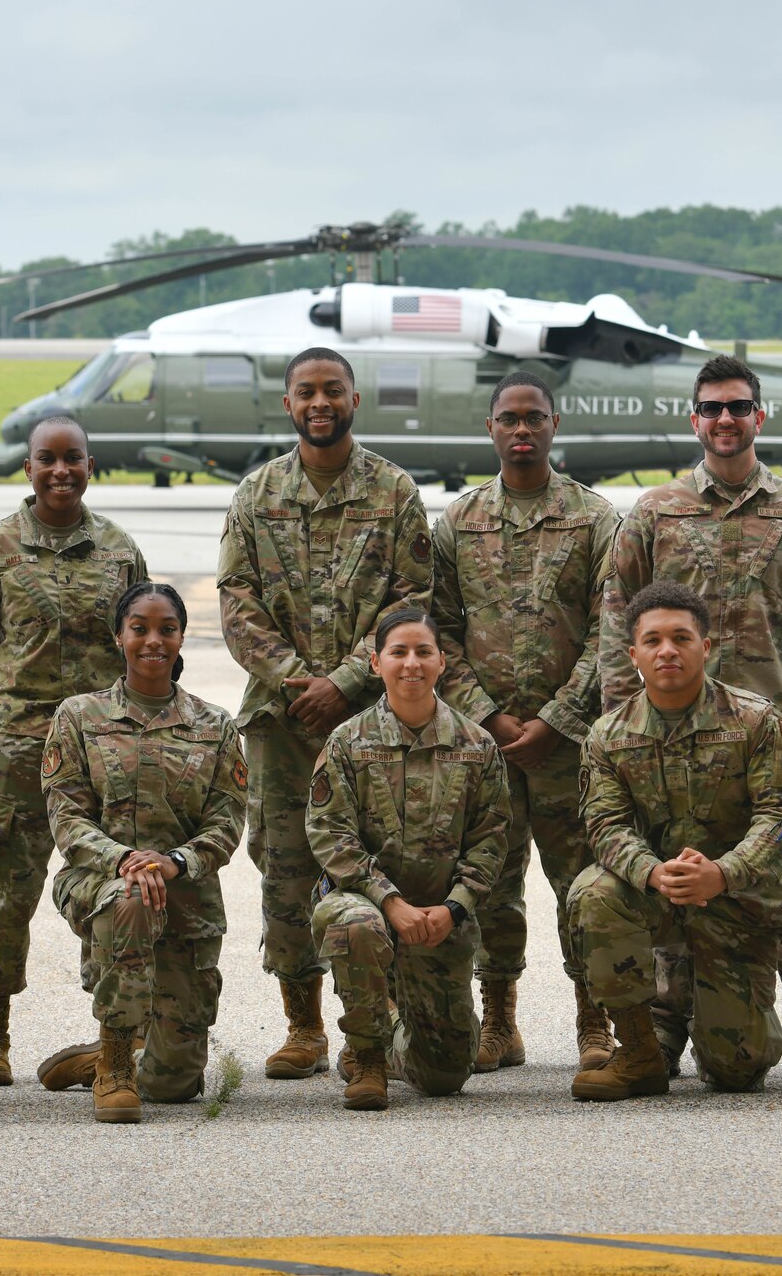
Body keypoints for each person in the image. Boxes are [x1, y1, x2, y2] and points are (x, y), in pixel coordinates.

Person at [601, 354, 782, 1080]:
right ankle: (663, 1025)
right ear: (694, 421)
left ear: (760, 416)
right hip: (667, 743)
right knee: (674, 875)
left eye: (739, 406)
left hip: (775, 739)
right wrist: (618, 723)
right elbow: (613, 620)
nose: (726, 419)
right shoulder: (655, 514)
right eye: (713, 407)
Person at [218, 347, 433, 1080]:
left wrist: (343, 681)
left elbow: (412, 600)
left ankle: (377, 1022)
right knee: (284, 867)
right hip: (282, 724)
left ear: (354, 399)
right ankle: (304, 1024)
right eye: (306, 392)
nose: (320, 402)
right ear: (287, 404)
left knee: (383, 863)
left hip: (375, 714)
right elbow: (236, 603)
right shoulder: (256, 494)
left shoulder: (395, 492)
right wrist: (294, 682)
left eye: (332, 390)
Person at [0, 415, 149, 1087]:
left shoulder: (118, 549)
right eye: (47, 460)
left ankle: (112, 1036)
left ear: (92, 465)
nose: (61, 471)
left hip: (100, 750)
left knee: (108, 887)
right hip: (14, 749)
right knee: (2, 889)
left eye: (74, 459)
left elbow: (144, 637)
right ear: (27, 468)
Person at [431, 369, 620, 1073]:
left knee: (585, 887)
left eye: (534, 417)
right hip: (484, 747)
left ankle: (593, 1021)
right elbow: (439, 629)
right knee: (490, 885)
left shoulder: (595, 518)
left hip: (568, 747)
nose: (521, 430)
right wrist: (484, 716)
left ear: (554, 424)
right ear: (489, 428)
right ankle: (499, 1019)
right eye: (508, 418)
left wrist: (557, 717)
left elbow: (612, 628)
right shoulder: (457, 522)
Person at [568, 581, 782, 1100]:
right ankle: (637, 1052)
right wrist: (653, 873)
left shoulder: (756, 721)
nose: (667, 651)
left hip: (735, 901)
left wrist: (723, 873)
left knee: (737, 1072)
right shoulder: (608, 735)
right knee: (593, 892)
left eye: (681, 638)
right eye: (653, 641)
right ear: (633, 654)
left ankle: (692, 1011)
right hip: (656, 896)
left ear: (707, 646)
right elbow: (605, 826)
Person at [39, 583, 245, 1122]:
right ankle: (114, 1060)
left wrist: (175, 862)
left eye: (167, 629)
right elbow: (66, 815)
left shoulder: (215, 725)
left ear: (181, 639)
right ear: (118, 636)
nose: (153, 640)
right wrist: (124, 860)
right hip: (100, 882)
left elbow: (227, 823)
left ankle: (127, 1052)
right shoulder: (78, 717)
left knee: (176, 1085)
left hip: (185, 894)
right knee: (130, 899)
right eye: (139, 628)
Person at [306, 605, 510, 1110]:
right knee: (355, 924)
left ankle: (402, 1029)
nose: (411, 663)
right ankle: (367, 1054)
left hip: (440, 917)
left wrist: (454, 908)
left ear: (443, 662)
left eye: (424, 652)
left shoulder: (477, 745)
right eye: (398, 652)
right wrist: (388, 901)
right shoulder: (347, 743)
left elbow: (491, 840)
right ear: (376, 664)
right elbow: (331, 834)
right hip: (367, 905)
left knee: (443, 1076)